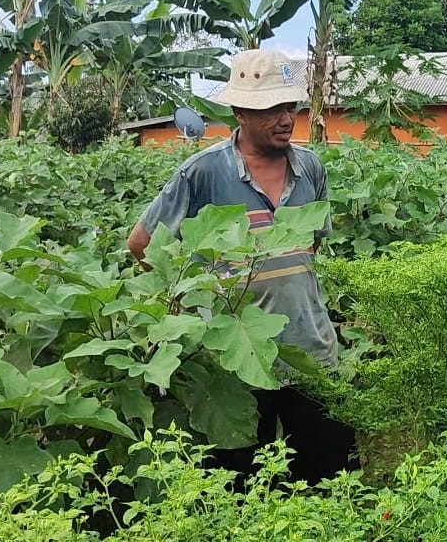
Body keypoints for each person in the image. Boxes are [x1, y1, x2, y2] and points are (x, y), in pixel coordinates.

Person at [126, 48, 359, 485]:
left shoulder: (310, 168)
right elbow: (141, 244)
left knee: (329, 477)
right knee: (238, 483)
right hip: (233, 359)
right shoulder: (203, 172)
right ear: (240, 111)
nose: (286, 119)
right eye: (271, 109)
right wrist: (197, 302)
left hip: (311, 349)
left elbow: (312, 250)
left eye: (289, 106)